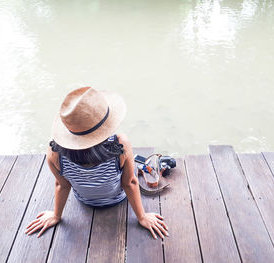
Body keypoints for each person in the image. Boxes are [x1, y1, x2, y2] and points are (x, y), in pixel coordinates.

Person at [24, 87, 169, 240]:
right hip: (117, 199)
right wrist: (142, 217)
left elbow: (62, 185)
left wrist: (55, 215)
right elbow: (130, 183)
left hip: (84, 200)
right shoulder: (120, 144)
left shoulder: (54, 153)